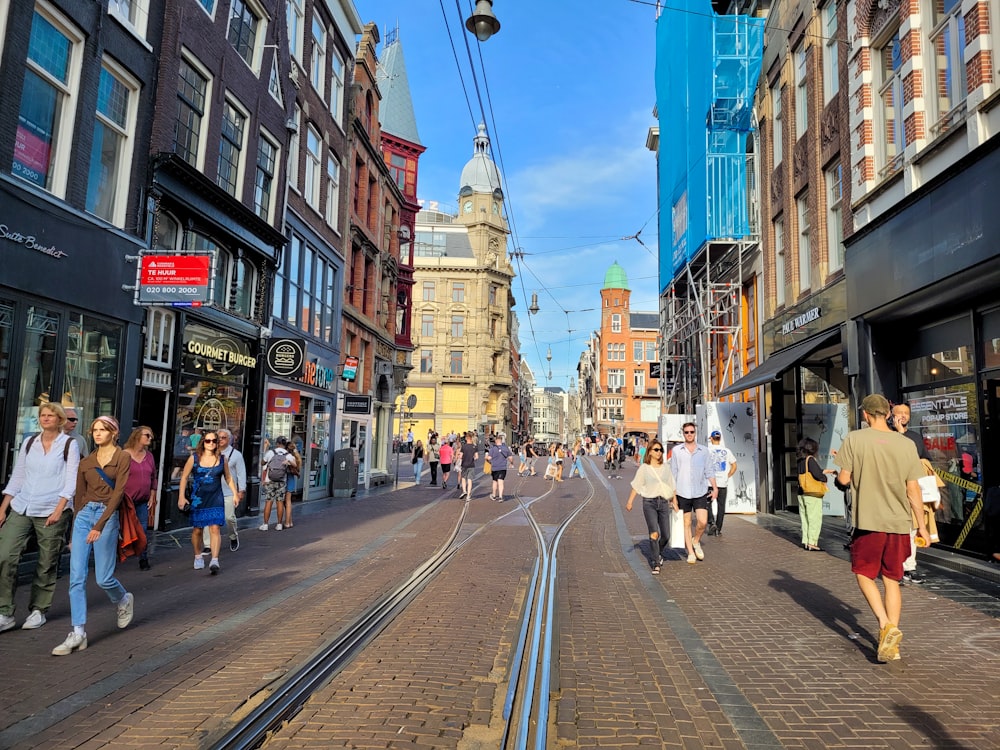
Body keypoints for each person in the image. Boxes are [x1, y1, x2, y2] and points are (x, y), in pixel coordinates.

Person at [834, 393, 928, 663]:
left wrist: (845, 480)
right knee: (892, 579)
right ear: (887, 414)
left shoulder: (854, 439)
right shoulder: (906, 443)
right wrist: (921, 526)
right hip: (900, 522)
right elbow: (913, 489)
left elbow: (844, 477)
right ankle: (892, 641)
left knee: (864, 573)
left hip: (869, 521)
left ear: (865, 415)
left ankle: (885, 624)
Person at [52, 416, 134, 656]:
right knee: (76, 577)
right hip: (85, 515)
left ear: (114, 433)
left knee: (103, 578)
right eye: (95, 430)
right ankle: (78, 632)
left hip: (107, 516)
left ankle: (122, 598)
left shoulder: (122, 457)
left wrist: (99, 525)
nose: (97, 434)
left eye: (103, 430)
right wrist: (76, 528)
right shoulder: (86, 461)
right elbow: (79, 496)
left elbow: (118, 494)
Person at [0, 403, 79, 632]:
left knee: (46, 561)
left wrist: (59, 508)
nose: (45, 419)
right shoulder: (30, 442)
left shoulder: (68, 445)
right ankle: (5, 611)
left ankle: (39, 610)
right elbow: (18, 475)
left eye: (50, 416)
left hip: (52, 508)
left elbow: (71, 480)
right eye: (42, 415)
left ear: (60, 419)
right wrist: (3, 507)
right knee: (5, 555)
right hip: (22, 505)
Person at [179, 430, 237, 574]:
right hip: (198, 498)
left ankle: (215, 560)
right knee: (197, 529)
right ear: (203, 442)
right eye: (207, 441)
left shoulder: (223, 459)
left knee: (215, 528)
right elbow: (184, 477)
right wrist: (181, 496)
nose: (211, 443)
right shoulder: (194, 458)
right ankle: (198, 555)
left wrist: (235, 493)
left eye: (214, 441)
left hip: (216, 497)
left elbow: (228, 477)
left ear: (217, 443)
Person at [890, 402, 930, 584]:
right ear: (892, 415)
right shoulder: (888, 436)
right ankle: (894, 567)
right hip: (892, 492)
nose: (903, 416)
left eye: (906, 413)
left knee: (912, 530)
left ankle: (909, 567)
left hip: (913, 489)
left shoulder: (915, 437)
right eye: (900, 413)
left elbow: (925, 460)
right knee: (894, 531)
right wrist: (899, 434)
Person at [625, 439, 676, 575]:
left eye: (660, 450)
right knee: (654, 533)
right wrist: (630, 502)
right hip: (649, 503)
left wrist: (674, 502)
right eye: (656, 450)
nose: (659, 452)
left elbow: (671, 486)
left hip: (664, 502)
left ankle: (657, 552)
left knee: (666, 535)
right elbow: (636, 485)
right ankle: (655, 562)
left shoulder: (666, 468)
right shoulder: (644, 468)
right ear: (650, 452)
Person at [669, 422, 718, 564]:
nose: (689, 434)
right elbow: (673, 473)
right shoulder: (677, 451)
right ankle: (690, 552)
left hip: (700, 490)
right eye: (686, 432)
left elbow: (709, 470)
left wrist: (715, 488)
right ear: (683, 434)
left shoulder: (704, 451)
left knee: (702, 522)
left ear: (695, 433)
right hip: (682, 491)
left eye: (691, 432)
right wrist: (673, 497)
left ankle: (696, 540)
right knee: (687, 522)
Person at [122, 426, 158, 570]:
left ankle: (143, 558)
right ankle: (114, 557)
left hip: (142, 500)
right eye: (147, 435)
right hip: (125, 500)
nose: (150, 438)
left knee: (142, 530)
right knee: (119, 528)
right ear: (137, 436)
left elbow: (153, 476)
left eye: (150, 436)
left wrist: (153, 494)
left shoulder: (149, 456)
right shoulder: (124, 455)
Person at [796, 437, 836, 551]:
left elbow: (809, 473)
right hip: (812, 495)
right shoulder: (811, 460)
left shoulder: (801, 461)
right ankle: (812, 542)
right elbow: (818, 475)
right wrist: (824, 478)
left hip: (802, 494)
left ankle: (806, 541)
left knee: (805, 519)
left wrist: (826, 471)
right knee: (814, 518)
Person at [218, 429, 246, 551]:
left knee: (229, 517)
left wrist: (241, 490)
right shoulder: (211, 453)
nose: (220, 440)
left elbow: (241, 473)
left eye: (223, 437)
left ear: (229, 440)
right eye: (218, 437)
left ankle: (233, 536)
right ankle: (208, 545)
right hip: (214, 491)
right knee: (210, 518)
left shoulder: (236, 455)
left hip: (229, 491)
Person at [706, 431, 737, 536]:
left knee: (707, 503)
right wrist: (727, 475)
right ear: (719, 439)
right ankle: (718, 528)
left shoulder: (707, 451)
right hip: (722, 483)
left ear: (711, 438)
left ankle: (711, 522)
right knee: (721, 506)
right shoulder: (727, 451)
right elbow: (734, 466)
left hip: (710, 482)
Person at [259, 437, 293, 531]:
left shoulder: (271, 452)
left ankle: (265, 524)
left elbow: (262, 463)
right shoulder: (288, 455)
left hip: (270, 480)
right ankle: (279, 524)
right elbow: (294, 464)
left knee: (268, 502)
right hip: (282, 481)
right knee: (280, 502)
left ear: (277, 443)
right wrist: (288, 462)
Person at [281, 441, 302, 529]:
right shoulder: (296, 457)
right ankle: (289, 521)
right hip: (291, 479)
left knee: (284, 501)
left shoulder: (288, 457)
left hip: (285, 479)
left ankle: (286, 522)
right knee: (288, 501)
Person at [488, 433, 513, 502]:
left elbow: (489, 458)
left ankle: (493, 495)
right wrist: (511, 463)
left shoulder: (492, 449)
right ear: (501, 441)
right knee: (501, 482)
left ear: (496, 441)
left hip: (494, 468)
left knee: (494, 481)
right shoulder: (505, 448)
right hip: (502, 468)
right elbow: (510, 457)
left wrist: (488, 460)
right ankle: (501, 496)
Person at [458, 432, 478, 500]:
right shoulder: (474, 447)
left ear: (466, 438)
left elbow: (460, 456)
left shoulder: (463, 447)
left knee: (463, 478)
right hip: (471, 465)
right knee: (470, 480)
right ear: (471, 438)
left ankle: (464, 491)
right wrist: (472, 458)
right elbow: (476, 457)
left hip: (464, 464)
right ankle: (468, 496)